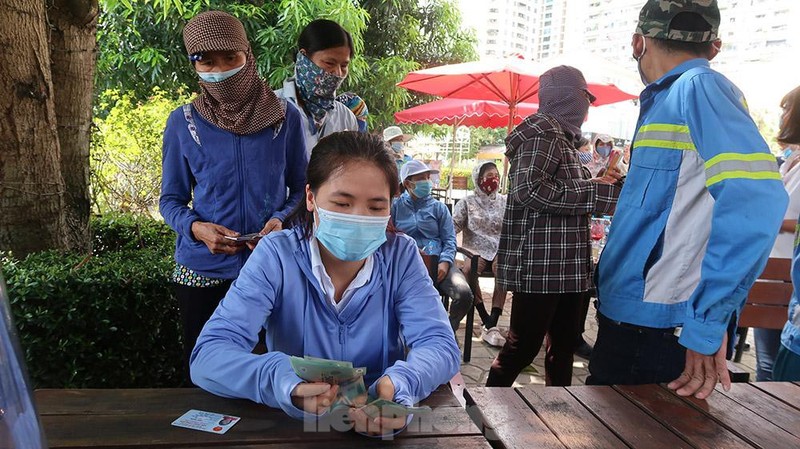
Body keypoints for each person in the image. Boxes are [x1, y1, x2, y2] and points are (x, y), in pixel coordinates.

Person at [190, 132, 460, 436]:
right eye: (343, 203)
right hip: (294, 433)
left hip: (377, 433)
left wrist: (401, 383)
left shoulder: (401, 256)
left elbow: (440, 345)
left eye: (375, 207)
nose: (359, 217)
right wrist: (283, 381)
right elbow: (209, 356)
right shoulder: (276, 256)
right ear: (310, 198)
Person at [589, 1, 788, 398]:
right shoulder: (671, 98)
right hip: (637, 318)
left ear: (637, 43)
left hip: (662, 328)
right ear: (714, 46)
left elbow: (757, 199)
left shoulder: (700, 87)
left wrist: (706, 322)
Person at [159, 11, 308, 383]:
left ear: (248, 54)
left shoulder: (285, 118)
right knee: (204, 369)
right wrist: (197, 229)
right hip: (201, 268)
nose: (219, 69)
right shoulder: (182, 122)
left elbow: (303, 189)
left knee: (275, 367)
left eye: (230, 57)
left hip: (270, 263)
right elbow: (170, 200)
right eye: (206, 61)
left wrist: (281, 220)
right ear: (193, 64)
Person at [486, 65, 623, 387]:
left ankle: (558, 419)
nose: (587, 107)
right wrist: (598, 190)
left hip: (567, 266)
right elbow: (530, 190)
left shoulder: (562, 139)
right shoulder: (542, 134)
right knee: (522, 350)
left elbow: (560, 188)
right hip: (541, 266)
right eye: (584, 97)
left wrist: (598, 182)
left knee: (563, 348)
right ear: (566, 97)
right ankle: (483, 418)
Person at [391, 160, 474, 334]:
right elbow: (389, 235)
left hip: (437, 264)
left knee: (464, 294)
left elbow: (450, 239)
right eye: (421, 179)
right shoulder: (395, 207)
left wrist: (444, 262)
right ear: (407, 183)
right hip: (405, 264)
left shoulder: (439, 208)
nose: (427, 182)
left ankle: (447, 332)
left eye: (428, 178)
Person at [275, 19, 358, 157]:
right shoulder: (270, 108)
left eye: (344, 66)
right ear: (304, 58)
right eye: (329, 63)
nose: (338, 73)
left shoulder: (346, 118)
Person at [452, 161, 508, 347]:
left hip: (499, 248)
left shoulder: (505, 201)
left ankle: (494, 317)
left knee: (503, 268)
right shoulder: (467, 202)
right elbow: (453, 226)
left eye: (496, 175)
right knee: (469, 270)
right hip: (474, 249)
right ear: (478, 178)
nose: (494, 179)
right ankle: (484, 316)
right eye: (489, 175)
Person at [775, 85, 800, 381]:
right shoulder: (789, 162)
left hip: (785, 271)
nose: (782, 115)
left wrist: (776, 223)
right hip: (775, 264)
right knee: (769, 361)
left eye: (787, 108)